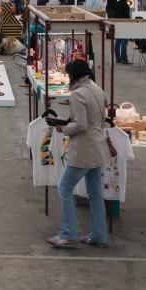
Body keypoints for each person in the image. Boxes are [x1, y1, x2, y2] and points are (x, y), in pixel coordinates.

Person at [46, 59, 109, 249]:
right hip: (98, 148)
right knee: (95, 194)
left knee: (64, 188)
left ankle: (68, 233)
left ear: (73, 75)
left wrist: (63, 128)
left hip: (84, 150)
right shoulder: (97, 89)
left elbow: (81, 125)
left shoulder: (78, 94)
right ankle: (99, 236)